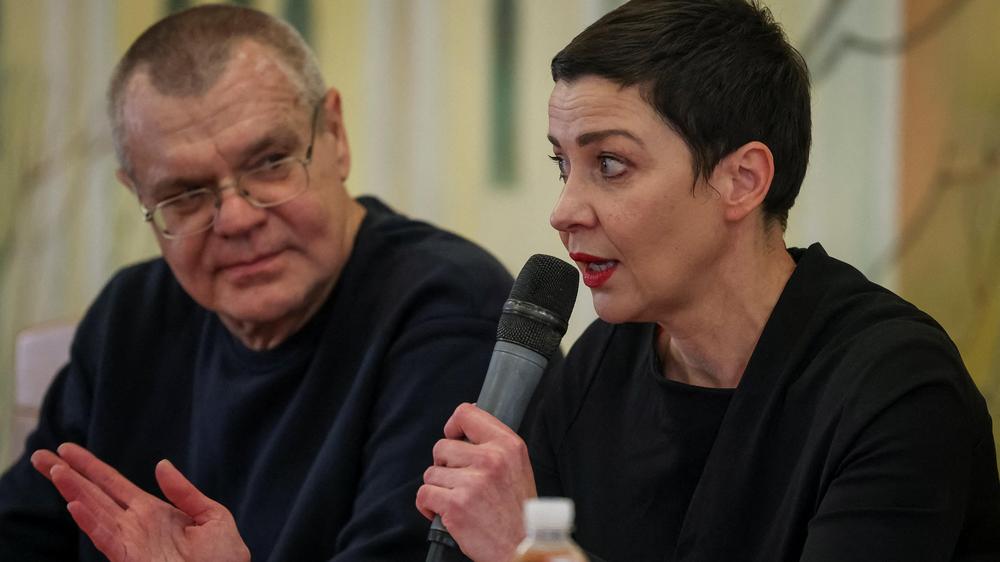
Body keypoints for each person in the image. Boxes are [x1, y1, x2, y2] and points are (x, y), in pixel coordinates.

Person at [415, 0, 1000, 561]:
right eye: (563, 166)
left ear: (742, 181)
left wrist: (529, 552)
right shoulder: (598, 367)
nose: (564, 211)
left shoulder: (896, 389)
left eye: (610, 165)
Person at [0, 5, 514, 561]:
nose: (238, 219)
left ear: (335, 135)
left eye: (270, 162)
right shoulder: (131, 314)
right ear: (139, 196)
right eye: (187, 194)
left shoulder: (449, 310)